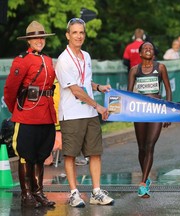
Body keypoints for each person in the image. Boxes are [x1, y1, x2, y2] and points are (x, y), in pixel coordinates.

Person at [55, 18, 114, 207]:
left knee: (95, 153)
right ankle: (74, 193)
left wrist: (99, 87)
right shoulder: (63, 60)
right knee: (71, 154)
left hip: (89, 114)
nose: (78, 36)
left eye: (81, 32)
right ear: (67, 35)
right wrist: (98, 106)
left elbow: (85, 84)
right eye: (74, 32)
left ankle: (96, 192)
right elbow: (76, 90)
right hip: (72, 114)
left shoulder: (86, 56)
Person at [3, 21, 56, 208]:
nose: (39, 40)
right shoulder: (22, 60)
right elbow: (10, 89)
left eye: (41, 37)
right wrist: (16, 110)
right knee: (26, 154)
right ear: (29, 40)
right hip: (27, 114)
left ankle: (38, 192)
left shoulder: (48, 60)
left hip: (46, 114)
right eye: (35, 38)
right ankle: (26, 195)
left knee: (41, 154)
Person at [127, 41, 172, 198]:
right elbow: (129, 94)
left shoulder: (160, 68)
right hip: (139, 111)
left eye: (151, 48)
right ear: (140, 53)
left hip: (156, 110)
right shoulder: (134, 70)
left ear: (154, 53)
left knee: (150, 145)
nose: (148, 50)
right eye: (145, 48)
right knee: (141, 147)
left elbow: (167, 89)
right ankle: (145, 178)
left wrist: (167, 111)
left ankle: (143, 182)